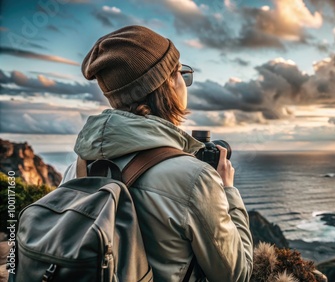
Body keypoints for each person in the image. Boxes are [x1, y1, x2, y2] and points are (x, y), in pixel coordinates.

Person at [61, 25, 253, 281]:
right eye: (182, 74)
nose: (185, 83)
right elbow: (236, 275)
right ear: (168, 83)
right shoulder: (195, 179)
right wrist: (228, 191)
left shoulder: (77, 168)